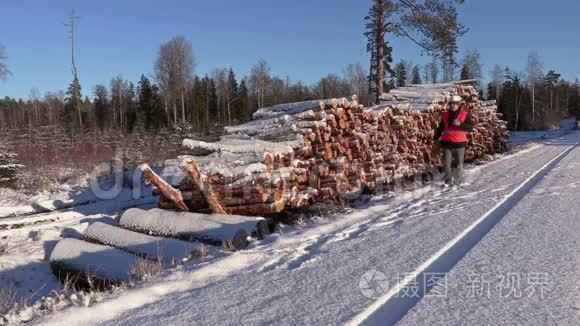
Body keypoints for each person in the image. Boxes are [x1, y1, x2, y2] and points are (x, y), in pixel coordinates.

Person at [433, 95, 474, 187]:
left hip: (460, 144)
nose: (452, 105)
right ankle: (448, 182)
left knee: (458, 165)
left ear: (458, 104)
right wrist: (435, 139)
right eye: (451, 103)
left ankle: (457, 182)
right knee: (446, 164)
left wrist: (460, 124)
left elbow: (470, 127)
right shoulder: (445, 115)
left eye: (454, 104)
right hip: (446, 144)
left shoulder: (465, 115)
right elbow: (440, 128)